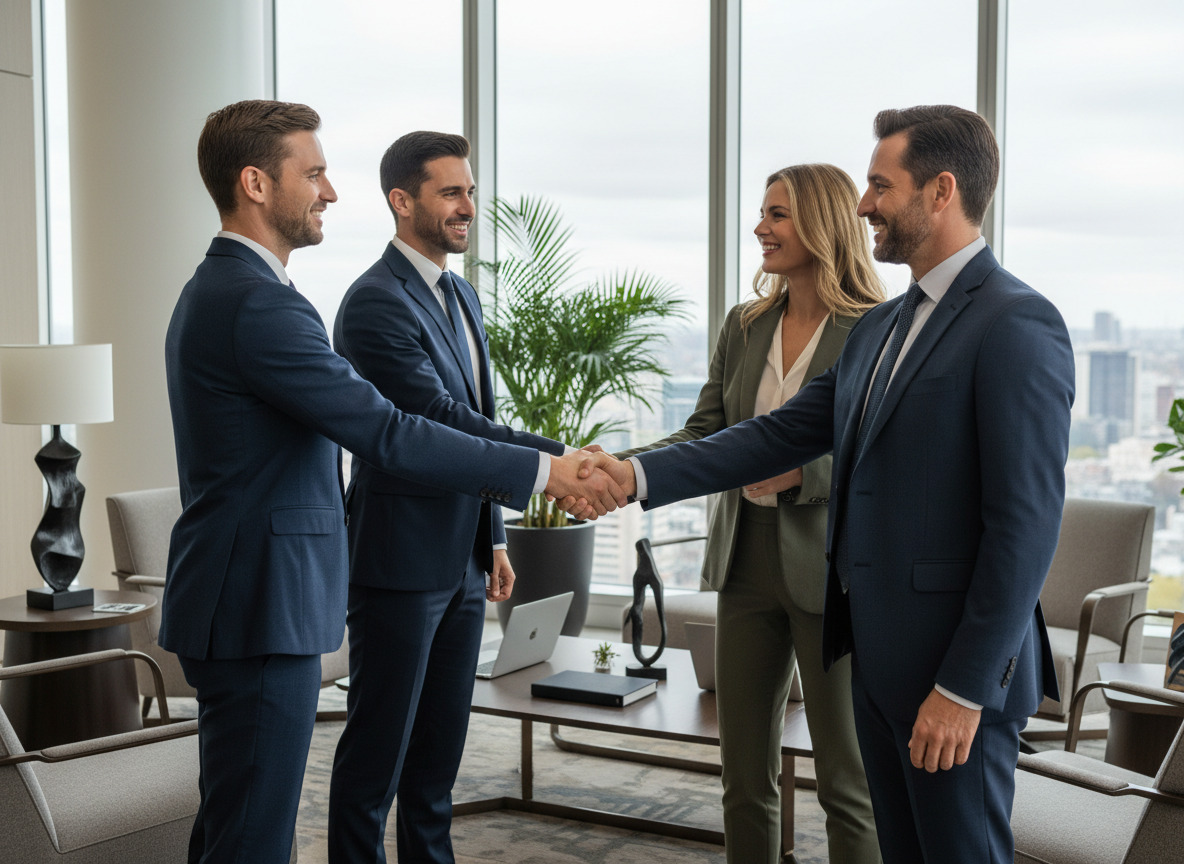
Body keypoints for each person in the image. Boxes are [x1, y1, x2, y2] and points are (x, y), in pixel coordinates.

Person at [576, 105, 1075, 863]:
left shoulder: (1016, 323)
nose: (866, 202)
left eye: (881, 184)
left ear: (941, 192)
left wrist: (964, 688)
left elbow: (1025, 526)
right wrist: (636, 474)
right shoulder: (883, 327)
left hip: (951, 679)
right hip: (875, 664)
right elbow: (772, 435)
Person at [161, 100, 622, 864]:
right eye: (312, 174)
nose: (331, 192)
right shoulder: (256, 304)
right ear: (255, 184)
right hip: (259, 601)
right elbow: (389, 429)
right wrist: (547, 469)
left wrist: (505, 514)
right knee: (253, 840)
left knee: (239, 828)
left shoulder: (240, 294)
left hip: (258, 599)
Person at [617, 163, 883, 863]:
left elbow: (882, 453)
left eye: (777, 215)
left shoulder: (873, 330)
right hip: (743, 561)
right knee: (742, 774)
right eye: (762, 213)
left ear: (823, 225)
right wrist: (624, 467)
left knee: (846, 781)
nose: (760, 228)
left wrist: (805, 471)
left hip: (832, 572)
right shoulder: (745, 324)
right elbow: (706, 431)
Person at [326, 131, 566, 863]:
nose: (468, 206)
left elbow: (479, 426)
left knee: (437, 762)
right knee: (377, 759)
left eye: (469, 190)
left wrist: (492, 537)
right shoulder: (372, 304)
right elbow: (439, 422)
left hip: (461, 561)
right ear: (402, 202)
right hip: (398, 562)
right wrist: (562, 464)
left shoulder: (459, 292)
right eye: (450, 192)